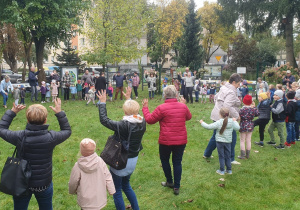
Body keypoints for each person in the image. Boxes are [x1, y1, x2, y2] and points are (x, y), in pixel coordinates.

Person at [0, 98, 71, 209]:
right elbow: (67, 131)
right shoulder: (51, 138)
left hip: (21, 182)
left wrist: (12, 112)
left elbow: (1, 128)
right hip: (43, 184)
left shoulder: (19, 136)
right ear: (45, 119)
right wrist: (59, 113)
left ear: (27, 119)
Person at [97, 87, 146, 210]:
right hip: (133, 159)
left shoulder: (123, 125)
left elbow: (104, 120)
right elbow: (134, 113)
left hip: (121, 160)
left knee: (117, 190)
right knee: (126, 185)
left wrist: (102, 103)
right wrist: (129, 100)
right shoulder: (142, 121)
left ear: (125, 111)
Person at [142, 85, 192, 195]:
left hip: (166, 140)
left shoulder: (162, 108)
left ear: (165, 95)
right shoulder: (182, 107)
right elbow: (188, 117)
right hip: (180, 140)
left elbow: (150, 120)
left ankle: (170, 181)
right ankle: (176, 186)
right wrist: (183, 106)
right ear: (176, 95)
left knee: (165, 160)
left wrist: (145, 108)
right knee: (177, 162)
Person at [203, 73, 242, 165]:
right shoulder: (231, 91)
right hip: (224, 117)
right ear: (233, 82)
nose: (238, 86)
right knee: (232, 137)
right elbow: (227, 106)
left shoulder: (224, 87)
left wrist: (237, 102)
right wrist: (236, 116)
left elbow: (216, 98)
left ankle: (207, 154)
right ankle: (231, 158)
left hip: (216, 114)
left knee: (215, 135)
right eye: (238, 84)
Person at [69, 138, 116, 210]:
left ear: (81, 151)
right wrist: (111, 189)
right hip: (98, 198)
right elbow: (107, 176)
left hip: (85, 200)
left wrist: (72, 191)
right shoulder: (100, 161)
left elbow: (73, 181)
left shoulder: (78, 165)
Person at [200, 108, 240, 175]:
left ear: (220, 115)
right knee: (228, 155)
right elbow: (238, 128)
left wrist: (202, 122)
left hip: (219, 142)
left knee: (221, 156)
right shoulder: (232, 122)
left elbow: (208, 127)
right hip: (228, 142)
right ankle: (229, 170)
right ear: (229, 114)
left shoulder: (218, 122)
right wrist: (235, 121)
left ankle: (222, 170)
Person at [238, 95, 259, 159]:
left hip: (243, 124)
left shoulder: (241, 110)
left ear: (243, 101)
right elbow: (258, 113)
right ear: (251, 102)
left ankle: (242, 155)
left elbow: (238, 117)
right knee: (248, 140)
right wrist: (254, 107)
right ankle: (247, 155)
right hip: (250, 124)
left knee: (242, 140)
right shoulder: (253, 109)